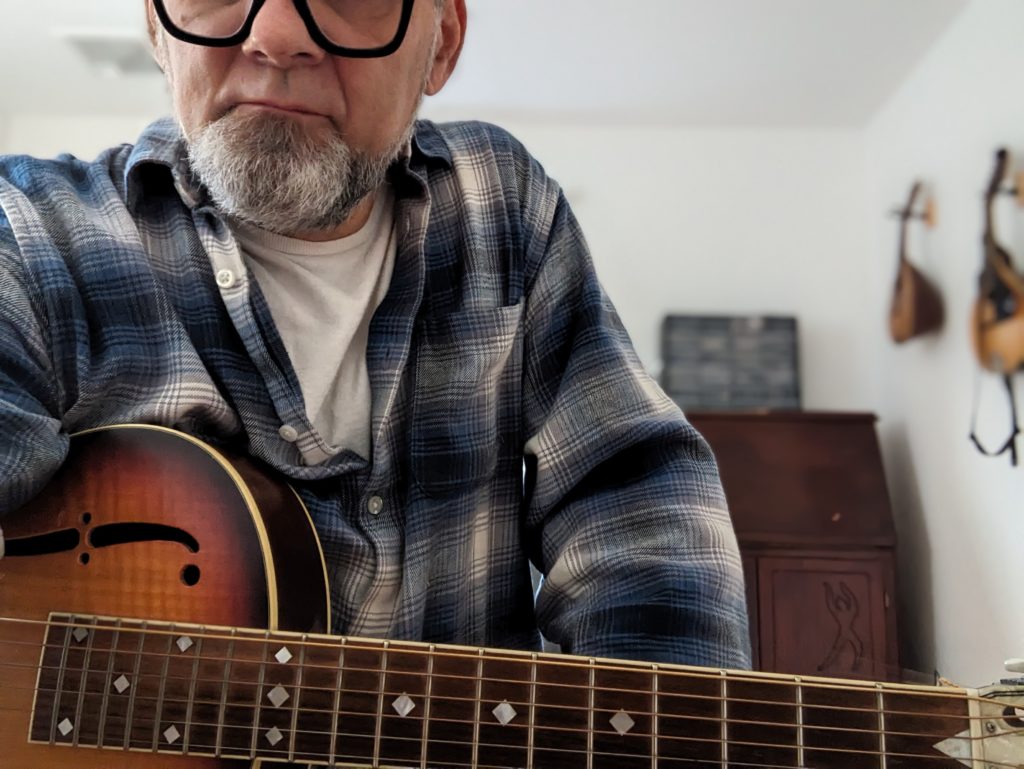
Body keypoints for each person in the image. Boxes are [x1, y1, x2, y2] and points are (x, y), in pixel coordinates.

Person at [0, 0, 750, 668]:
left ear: (442, 44)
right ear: (156, 29)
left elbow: (636, 506)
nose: (278, 34)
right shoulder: (27, 238)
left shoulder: (504, 207)